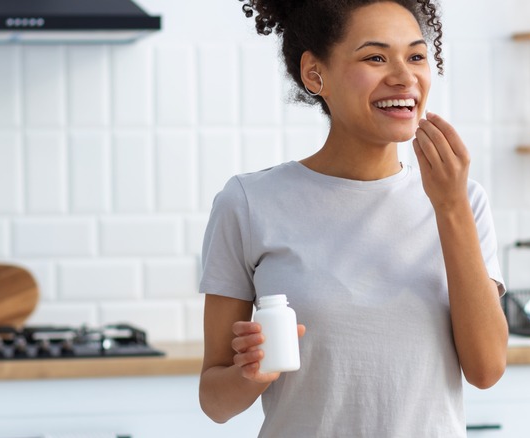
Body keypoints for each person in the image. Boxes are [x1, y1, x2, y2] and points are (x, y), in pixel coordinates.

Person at [198, 0, 509, 436]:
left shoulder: (462, 200)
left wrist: (450, 207)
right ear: (314, 74)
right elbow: (214, 401)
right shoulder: (250, 202)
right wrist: (249, 374)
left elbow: (487, 369)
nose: (404, 77)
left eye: (416, 56)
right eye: (375, 57)